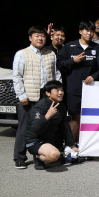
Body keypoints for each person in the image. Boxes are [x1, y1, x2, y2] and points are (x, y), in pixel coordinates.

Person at [12, 26, 62, 169]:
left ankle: (40, 157)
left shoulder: (50, 54)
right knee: (24, 127)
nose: (40, 38)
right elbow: (17, 76)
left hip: (46, 96)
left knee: (45, 126)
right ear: (30, 38)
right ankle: (20, 157)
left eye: (42, 36)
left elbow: (56, 74)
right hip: (29, 95)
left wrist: (58, 91)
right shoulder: (22, 54)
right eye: (36, 36)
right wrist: (21, 95)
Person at [57, 20, 99, 142]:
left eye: (92, 31)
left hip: (91, 90)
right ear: (80, 31)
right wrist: (72, 61)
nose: (89, 33)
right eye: (86, 30)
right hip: (73, 90)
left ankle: (89, 142)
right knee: (75, 118)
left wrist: (94, 76)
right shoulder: (69, 47)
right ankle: (73, 143)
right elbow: (59, 65)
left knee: (90, 118)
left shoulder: (97, 48)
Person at [25, 81, 79, 170]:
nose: (61, 93)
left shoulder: (60, 105)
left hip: (52, 138)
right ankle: (39, 157)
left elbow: (65, 127)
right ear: (48, 93)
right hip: (36, 141)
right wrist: (47, 116)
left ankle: (63, 151)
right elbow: (34, 130)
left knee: (73, 124)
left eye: (62, 90)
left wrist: (72, 145)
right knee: (54, 155)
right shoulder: (39, 108)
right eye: (57, 90)